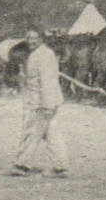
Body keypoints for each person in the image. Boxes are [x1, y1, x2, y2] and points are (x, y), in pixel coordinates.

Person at [12, 29, 69, 177]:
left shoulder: (44, 55)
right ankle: (60, 167)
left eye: (35, 38)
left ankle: (21, 165)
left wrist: (48, 105)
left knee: (31, 132)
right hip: (41, 101)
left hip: (41, 103)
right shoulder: (37, 54)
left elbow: (47, 81)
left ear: (42, 39)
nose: (31, 41)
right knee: (52, 134)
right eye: (28, 38)